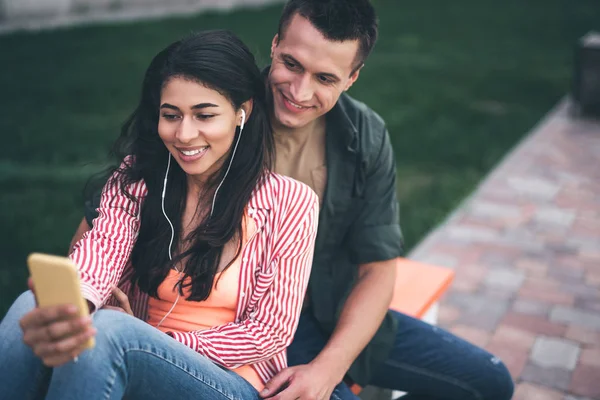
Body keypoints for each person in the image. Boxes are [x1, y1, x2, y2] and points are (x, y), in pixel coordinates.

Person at [70, 1, 516, 399]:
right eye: (291, 64)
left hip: (331, 310)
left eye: (325, 78)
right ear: (275, 43)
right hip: (243, 324)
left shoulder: (365, 137)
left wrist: (328, 368)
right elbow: (110, 213)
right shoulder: (211, 107)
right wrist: (95, 293)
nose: (299, 92)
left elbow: (378, 271)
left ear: (352, 77)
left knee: (489, 382)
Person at [0, 30, 319, 400]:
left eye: (204, 115)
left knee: (110, 333)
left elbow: (268, 332)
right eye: (171, 115)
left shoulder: (289, 202)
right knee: (35, 305)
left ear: (241, 113)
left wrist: (154, 338)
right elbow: (103, 250)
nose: (184, 134)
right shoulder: (140, 176)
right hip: (131, 347)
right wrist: (75, 309)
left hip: (230, 382)